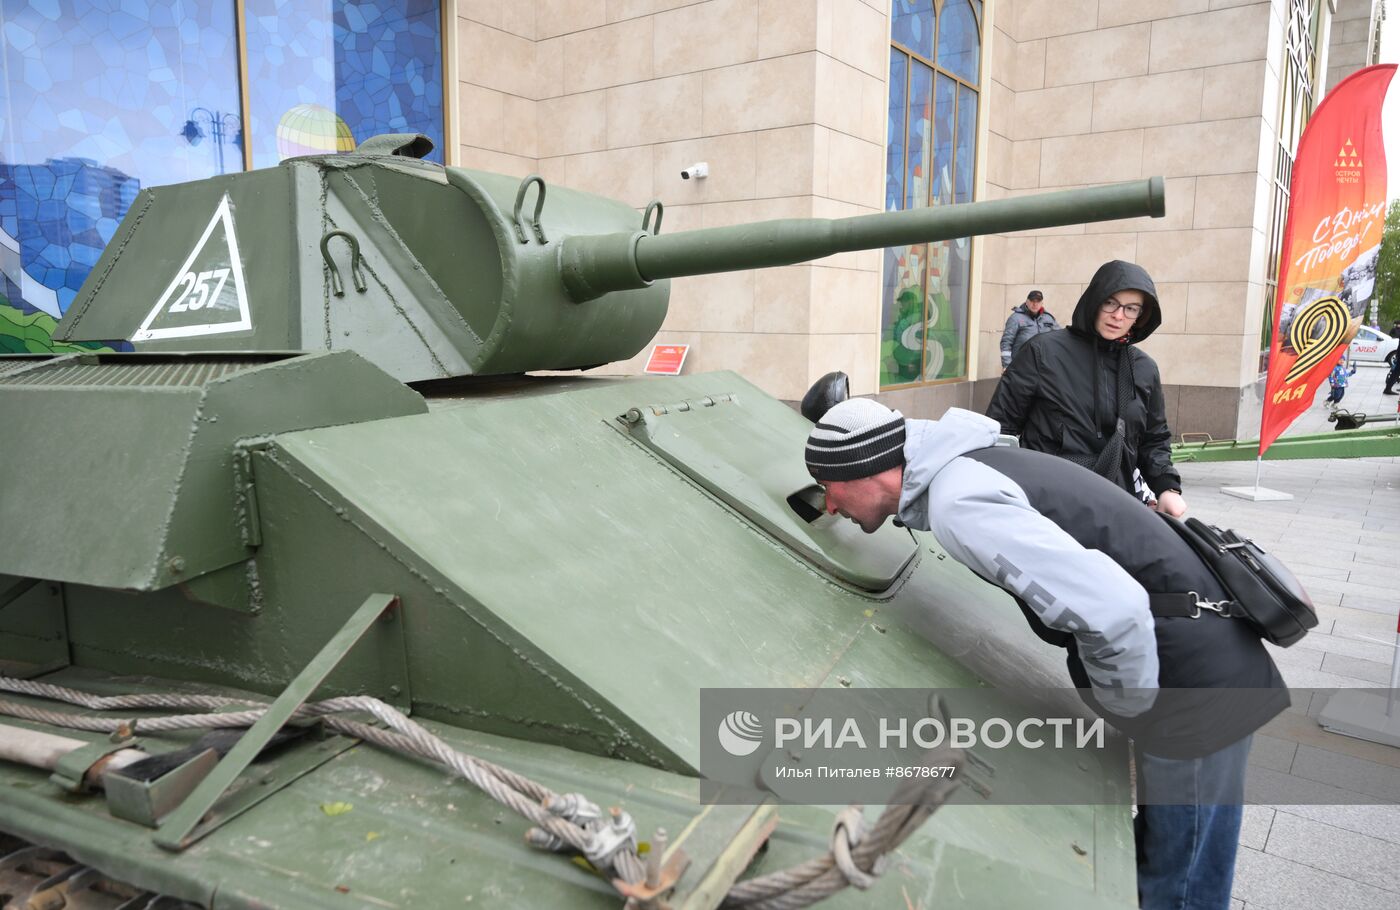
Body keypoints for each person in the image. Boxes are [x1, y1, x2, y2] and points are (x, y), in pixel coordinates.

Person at [803, 397, 1288, 910]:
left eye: (828, 488)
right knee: (1169, 860)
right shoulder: (973, 467)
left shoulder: (958, 501)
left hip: (1191, 686)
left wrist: (1128, 707)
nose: (829, 506)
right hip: (1198, 659)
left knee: (1180, 888)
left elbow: (1116, 610)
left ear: (864, 470)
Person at [987, 261, 1185, 517]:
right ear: (1095, 300)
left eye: (1131, 308)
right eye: (1111, 303)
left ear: (1141, 316)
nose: (1118, 315)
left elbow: (1154, 438)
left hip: (1115, 509)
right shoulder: (1043, 352)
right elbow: (999, 427)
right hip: (1045, 507)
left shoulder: (1144, 368)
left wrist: (1167, 487)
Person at [1000, 289, 1059, 368]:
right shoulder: (1015, 318)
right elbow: (1006, 342)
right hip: (1021, 365)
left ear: (1042, 303)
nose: (1035, 304)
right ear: (1027, 302)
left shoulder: (1048, 318)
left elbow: (1059, 337)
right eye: (1032, 301)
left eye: (1038, 301)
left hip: (1043, 365)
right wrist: (1007, 365)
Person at [1384, 319, 1400, 396]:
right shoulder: (1396, 330)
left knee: (1396, 372)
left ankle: (1388, 388)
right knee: (1395, 372)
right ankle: (1387, 389)